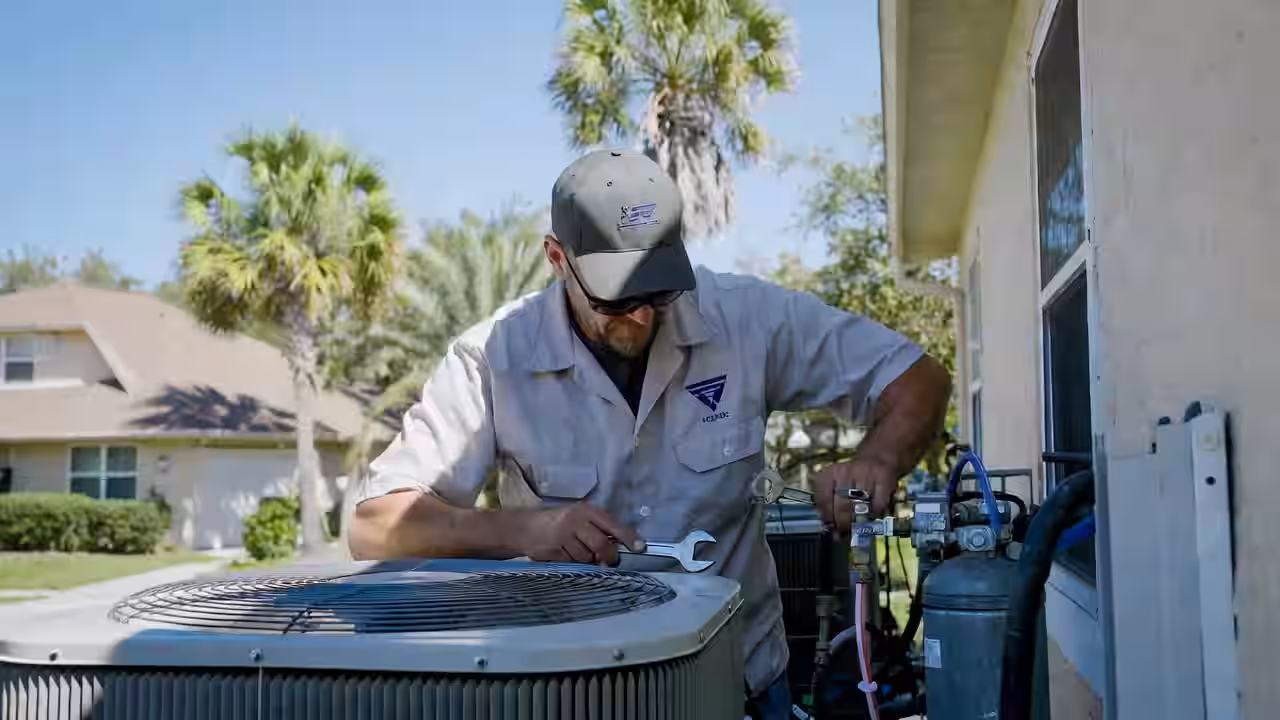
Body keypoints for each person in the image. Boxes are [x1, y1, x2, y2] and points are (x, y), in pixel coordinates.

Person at [348, 148, 952, 719]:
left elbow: (918, 379)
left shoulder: (746, 318)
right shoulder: (491, 358)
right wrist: (527, 529)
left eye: (657, 292)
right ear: (558, 260)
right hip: (573, 693)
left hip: (737, 684)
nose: (640, 317)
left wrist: (878, 459)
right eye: (617, 298)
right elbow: (375, 525)